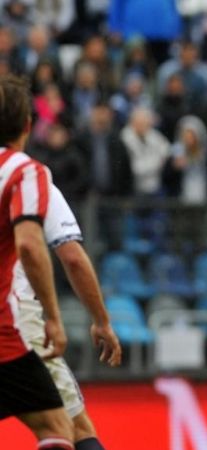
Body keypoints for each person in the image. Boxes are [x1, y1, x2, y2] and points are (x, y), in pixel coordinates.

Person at [12, 184, 123, 450]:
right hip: (13, 321)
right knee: (71, 429)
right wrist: (101, 321)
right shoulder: (30, 180)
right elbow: (72, 257)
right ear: (25, 137)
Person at [0, 74, 73, 449]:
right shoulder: (24, 171)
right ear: (28, 125)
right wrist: (53, 317)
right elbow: (29, 246)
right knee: (59, 427)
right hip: (1, 337)